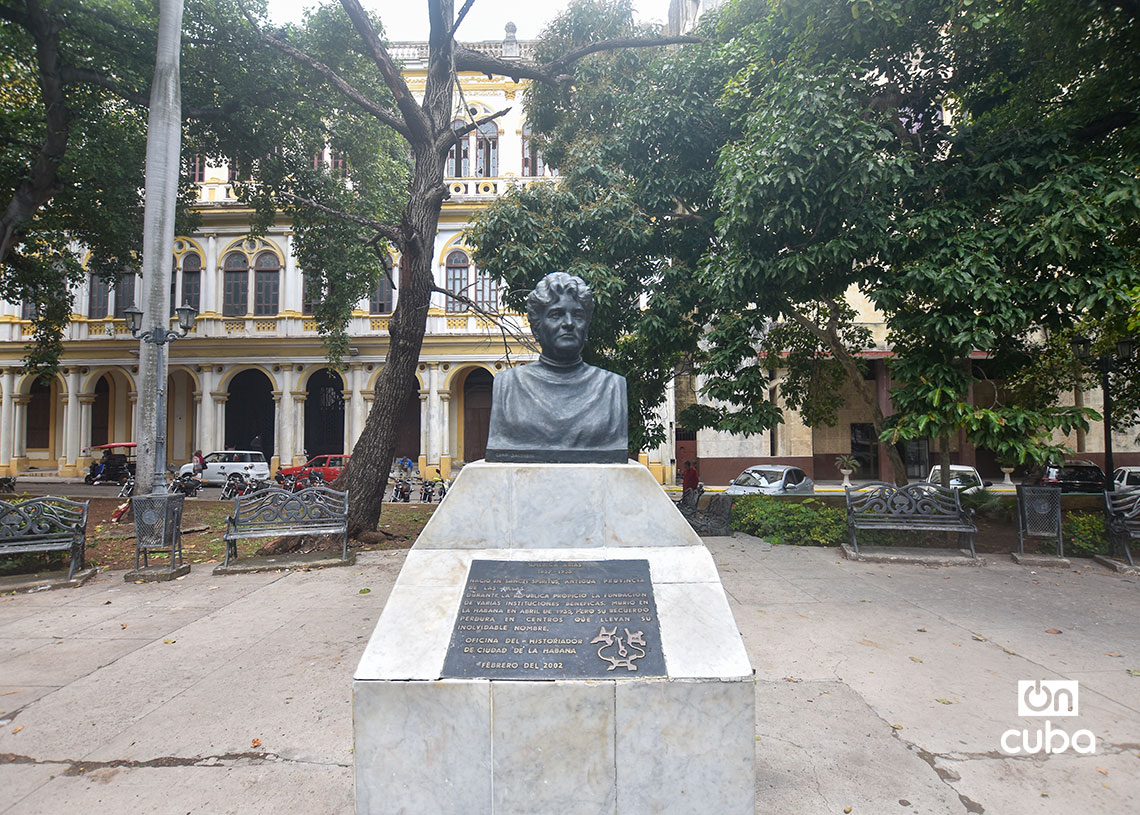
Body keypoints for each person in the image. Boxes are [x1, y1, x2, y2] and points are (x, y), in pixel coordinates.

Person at [484, 272, 627, 463]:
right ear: (536, 327)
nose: (568, 323)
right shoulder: (508, 385)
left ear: (586, 326)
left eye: (577, 315)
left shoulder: (612, 387)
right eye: (556, 314)